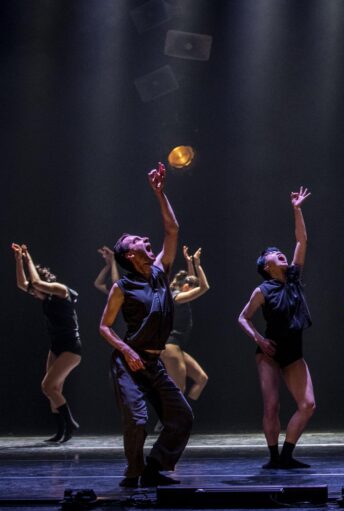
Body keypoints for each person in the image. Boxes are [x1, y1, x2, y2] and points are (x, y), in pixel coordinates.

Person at [99, 162, 193, 488]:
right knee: (137, 419)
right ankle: (133, 473)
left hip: (154, 362)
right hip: (129, 361)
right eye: (137, 240)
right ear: (128, 254)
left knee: (182, 416)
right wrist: (126, 350)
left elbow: (172, 230)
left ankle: (154, 469)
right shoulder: (121, 287)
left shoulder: (159, 272)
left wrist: (160, 193)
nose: (145, 239)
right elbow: (104, 327)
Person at [238, 187, 315, 469]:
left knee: (308, 405)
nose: (279, 253)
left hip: (293, 352)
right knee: (272, 406)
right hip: (270, 352)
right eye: (273, 254)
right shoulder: (263, 290)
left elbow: (301, 240)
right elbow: (242, 318)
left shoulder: (293, 278)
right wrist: (259, 339)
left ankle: (286, 455)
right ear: (266, 266)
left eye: (280, 252)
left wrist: (297, 209)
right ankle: (273, 458)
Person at [12, 243, 81, 443]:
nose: (33, 294)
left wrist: (28, 258)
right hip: (56, 346)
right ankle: (61, 431)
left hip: (71, 347)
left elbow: (34, 282)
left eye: (35, 291)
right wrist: (18, 260)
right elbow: (22, 284)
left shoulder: (60, 290)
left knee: (47, 386)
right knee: (54, 390)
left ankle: (70, 423)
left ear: (43, 285)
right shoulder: (45, 298)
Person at [161, 246, 210, 403]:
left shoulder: (178, 293)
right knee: (179, 390)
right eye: (191, 290)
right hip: (170, 346)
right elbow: (204, 287)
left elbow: (192, 281)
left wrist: (190, 263)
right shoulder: (176, 297)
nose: (193, 295)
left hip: (176, 347)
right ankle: (172, 416)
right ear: (186, 288)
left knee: (201, 378)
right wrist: (198, 265)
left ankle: (186, 412)